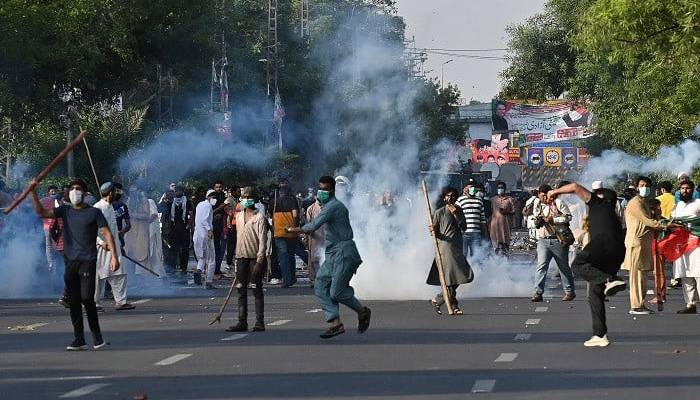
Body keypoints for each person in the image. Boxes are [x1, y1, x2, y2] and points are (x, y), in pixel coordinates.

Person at [30, 179, 118, 350]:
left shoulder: (94, 213)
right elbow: (42, 213)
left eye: (78, 189)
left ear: (85, 193)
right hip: (70, 262)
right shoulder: (65, 210)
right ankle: (79, 339)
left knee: (87, 298)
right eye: (72, 189)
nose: (74, 191)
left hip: (88, 261)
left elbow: (107, 233)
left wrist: (114, 256)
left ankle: (97, 337)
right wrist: (33, 192)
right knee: (74, 300)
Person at [286, 176, 371, 339]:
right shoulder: (329, 206)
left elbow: (313, 225)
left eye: (324, 189)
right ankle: (335, 323)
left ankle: (362, 311)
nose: (321, 192)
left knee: (336, 292)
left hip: (344, 253)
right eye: (320, 189)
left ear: (332, 190)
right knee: (320, 285)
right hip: (332, 253)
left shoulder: (334, 207)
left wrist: (292, 230)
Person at [547, 182, 627, 347]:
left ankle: (608, 281)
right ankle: (599, 334)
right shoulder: (613, 214)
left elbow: (575, 187)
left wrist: (554, 191)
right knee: (595, 293)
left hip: (602, 244)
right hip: (618, 251)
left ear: (598, 197)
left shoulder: (598, 203)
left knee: (577, 265)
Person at [225, 187, 269, 333]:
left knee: (256, 289)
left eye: (249, 197)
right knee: (241, 290)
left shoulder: (259, 218)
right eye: (244, 197)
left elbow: (262, 242)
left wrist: (259, 261)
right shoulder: (238, 217)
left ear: (254, 199)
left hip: (254, 259)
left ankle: (259, 322)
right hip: (241, 258)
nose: (246, 199)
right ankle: (242, 321)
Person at [427, 186, 474, 315]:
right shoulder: (439, 212)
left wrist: (456, 214)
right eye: (448, 195)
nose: (451, 197)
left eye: (453, 195)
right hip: (445, 248)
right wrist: (432, 230)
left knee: (461, 275)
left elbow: (464, 227)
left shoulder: (458, 210)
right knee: (451, 278)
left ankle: (438, 299)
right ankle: (454, 306)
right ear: (444, 197)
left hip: (457, 247)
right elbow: (435, 233)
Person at [622, 176, 662, 315]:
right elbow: (648, 221)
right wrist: (664, 225)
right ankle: (636, 306)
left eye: (647, 185)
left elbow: (653, 219)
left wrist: (659, 216)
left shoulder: (645, 202)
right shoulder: (635, 203)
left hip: (644, 244)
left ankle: (640, 304)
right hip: (636, 243)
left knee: (642, 276)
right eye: (642, 185)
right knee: (637, 276)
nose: (644, 187)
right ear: (637, 187)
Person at [94, 182, 135, 311]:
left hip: (114, 247)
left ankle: (121, 302)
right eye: (116, 191)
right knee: (97, 276)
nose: (119, 194)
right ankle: (93, 304)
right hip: (101, 248)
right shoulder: (97, 208)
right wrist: (101, 242)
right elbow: (91, 230)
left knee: (119, 273)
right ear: (110, 193)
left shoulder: (111, 206)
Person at [531, 184, 576, 302]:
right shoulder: (538, 204)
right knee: (541, 267)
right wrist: (538, 221)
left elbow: (568, 217)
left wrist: (553, 220)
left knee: (563, 267)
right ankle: (538, 292)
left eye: (543, 196)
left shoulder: (558, 203)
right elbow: (535, 217)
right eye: (540, 196)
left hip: (558, 239)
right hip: (543, 239)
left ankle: (569, 291)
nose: (542, 199)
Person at [272, 177, 308, 287]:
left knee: (283, 256)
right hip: (291, 231)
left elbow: (270, 216)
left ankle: (287, 280)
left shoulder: (274, 201)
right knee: (291, 255)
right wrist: (296, 226)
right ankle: (292, 278)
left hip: (278, 231)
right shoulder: (293, 200)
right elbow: (296, 215)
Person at [671, 180, 700, 314]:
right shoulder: (679, 205)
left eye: (688, 188)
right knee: (686, 274)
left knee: (698, 274)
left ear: (692, 190)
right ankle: (690, 304)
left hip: (696, 244)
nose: (685, 190)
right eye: (682, 188)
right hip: (681, 246)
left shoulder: (698, 203)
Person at [125, 189, 164, 282]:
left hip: (149, 232)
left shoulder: (149, 201)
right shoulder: (131, 202)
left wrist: (141, 222)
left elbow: (152, 216)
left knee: (151, 256)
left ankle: (154, 278)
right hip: (138, 233)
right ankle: (140, 278)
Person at [160, 186, 192, 273]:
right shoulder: (170, 201)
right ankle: (172, 267)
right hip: (173, 229)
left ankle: (183, 267)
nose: (178, 192)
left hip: (184, 229)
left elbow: (190, 214)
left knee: (185, 249)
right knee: (173, 249)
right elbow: (162, 210)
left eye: (180, 191)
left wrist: (188, 225)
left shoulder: (187, 201)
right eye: (177, 191)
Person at [455, 179, 486, 259]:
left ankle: (475, 271)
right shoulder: (460, 200)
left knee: (476, 256)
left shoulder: (479, 200)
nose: (473, 188)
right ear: (466, 188)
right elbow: (455, 215)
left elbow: (482, 219)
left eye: (474, 186)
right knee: (463, 255)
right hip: (464, 233)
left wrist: (485, 233)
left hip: (476, 233)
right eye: (471, 186)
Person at [193, 189, 217, 288]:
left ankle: (199, 271)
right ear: (208, 197)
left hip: (197, 234)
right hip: (206, 235)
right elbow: (204, 220)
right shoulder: (208, 206)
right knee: (211, 258)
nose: (214, 199)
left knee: (202, 257)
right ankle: (209, 281)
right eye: (213, 197)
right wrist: (209, 230)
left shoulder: (199, 204)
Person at [489, 181, 515, 254]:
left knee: (505, 244)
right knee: (495, 245)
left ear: (505, 189)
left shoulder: (509, 199)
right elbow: (490, 212)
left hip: (505, 225)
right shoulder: (493, 199)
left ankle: (505, 261)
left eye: (502, 188)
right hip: (494, 225)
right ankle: (496, 261)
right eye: (499, 188)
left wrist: (506, 212)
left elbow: (514, 211)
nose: (500, 189)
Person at [305, 195, 325, 288]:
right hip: (315, 237)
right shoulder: (311, 208)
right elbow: (308, 225)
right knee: (313, 259)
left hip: (326, 237)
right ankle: (313, 279)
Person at [211, 181, 227, 276]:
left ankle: (217, 268)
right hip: (214, 225)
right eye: (217, 187)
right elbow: (210, 211)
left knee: (220, 248)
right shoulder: (213, 196)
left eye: (220, 187)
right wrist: (220, 208)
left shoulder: (223, 196)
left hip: (222, 225)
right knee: (214, 247)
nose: (219, 189)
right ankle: (213, 269)